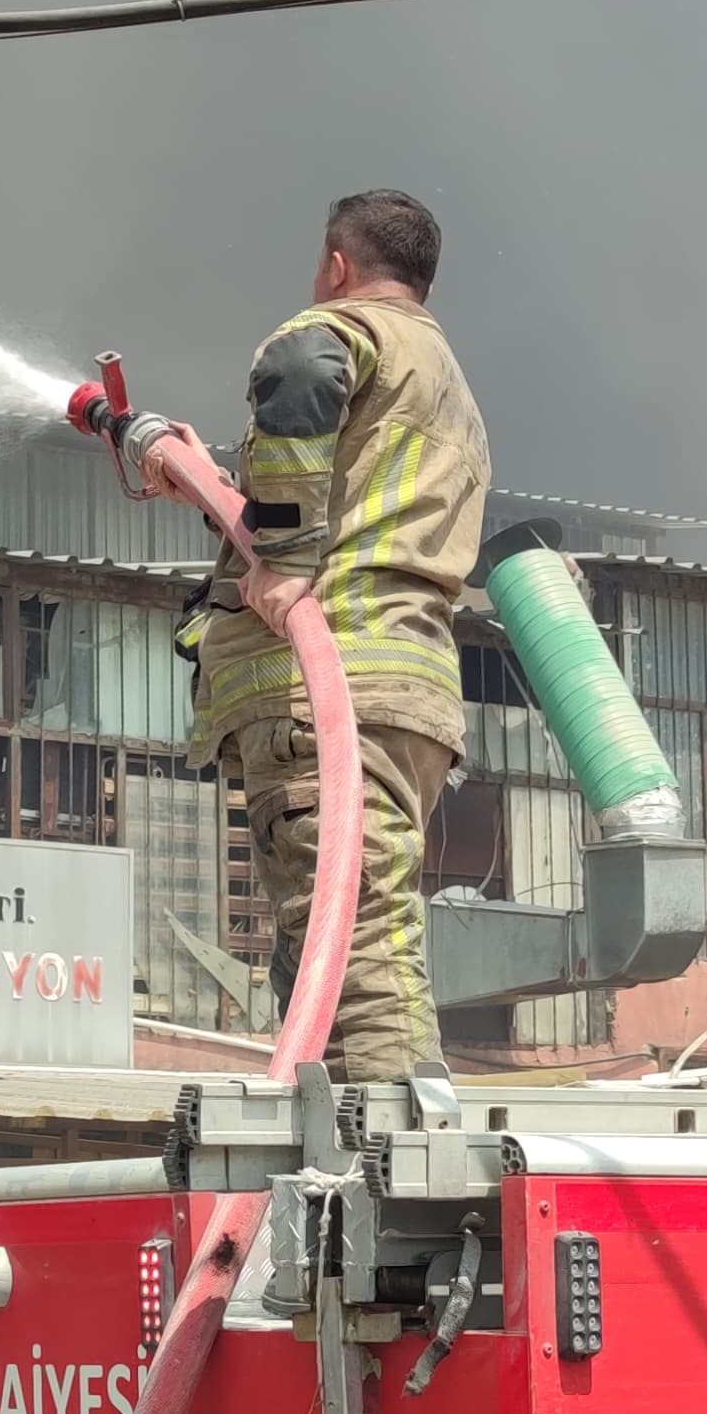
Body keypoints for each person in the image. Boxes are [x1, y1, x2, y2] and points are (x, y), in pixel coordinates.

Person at [193, 190, 489, 1082]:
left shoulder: (345, 330)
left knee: (352, 944)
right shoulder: (445, 387)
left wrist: (278, 552)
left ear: (336, 266)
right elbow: (359, 503)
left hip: (329, 693)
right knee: (330, 944)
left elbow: (298, 372)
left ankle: (386, 1167)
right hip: (406, 693)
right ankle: (334, 1148)